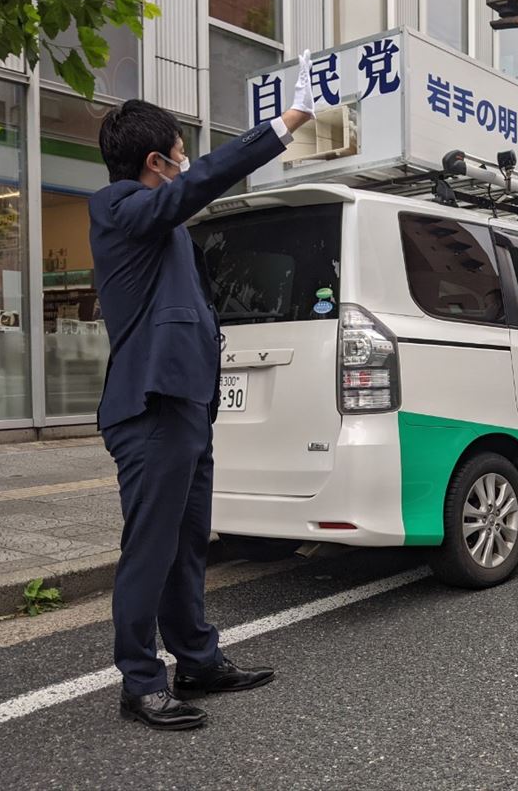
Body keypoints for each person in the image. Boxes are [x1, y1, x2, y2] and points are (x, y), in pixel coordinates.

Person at [91, 52, 316, 730]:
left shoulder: (163, 229)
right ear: (156, 163)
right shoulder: (119, 206)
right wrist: (285, 125)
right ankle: (139, 680)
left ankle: (196, 657)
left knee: (188, 543)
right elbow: (196, 188)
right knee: (151, 547)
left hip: (187, 405)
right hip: (150, 406)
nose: (189, 166)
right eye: (181, 156)